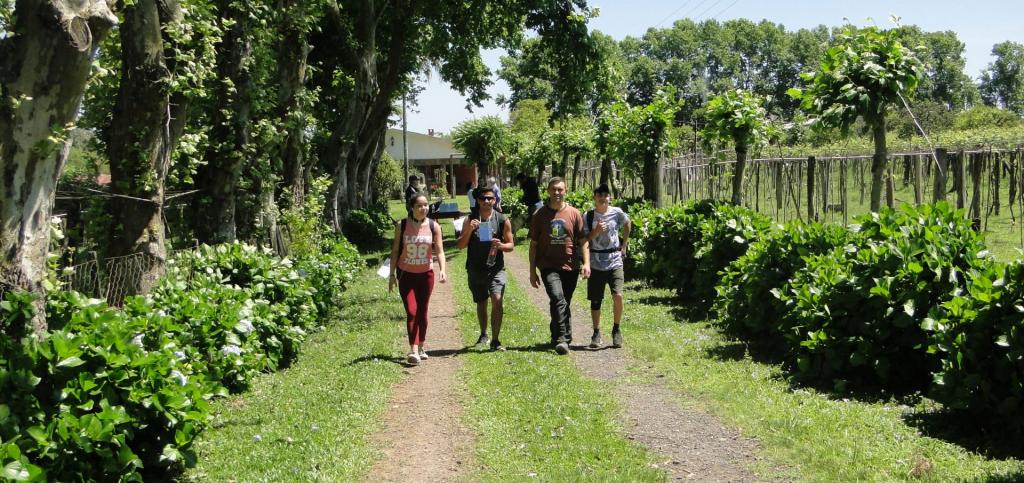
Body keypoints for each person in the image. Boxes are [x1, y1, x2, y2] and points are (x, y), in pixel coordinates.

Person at [529, 177, 590, 355]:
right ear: (548, 191)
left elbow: (583, 241)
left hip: (571, 266)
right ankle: (564, 338)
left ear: (566, 191)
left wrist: (586, 263)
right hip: (548, 264)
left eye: (560, 189)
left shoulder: (574, 213)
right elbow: (533, 245)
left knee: (563, 301)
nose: (557, 193)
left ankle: (555, 334)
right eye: (554, 189)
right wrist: (532, 271)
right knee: (558, 298)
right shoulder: (539, 215)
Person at [388, 193, 448, 365]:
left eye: (426, 205)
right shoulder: (402, 225)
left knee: (423, 311)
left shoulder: (433, 226)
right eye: (419, 206)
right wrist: (392, 275)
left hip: (425, 275)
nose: (423, 209)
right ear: (411, 208)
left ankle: (421, 346)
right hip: (406, 275)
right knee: (411, 312)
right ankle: (413, 349)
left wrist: (442, 270)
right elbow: (394, 252)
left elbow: (440, 251)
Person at [456, 186, 514, 351]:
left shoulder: (502, 219)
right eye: (483, 199)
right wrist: (470, 230)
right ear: (478, 201)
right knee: (481, 302)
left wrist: (501, 245)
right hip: (476, 268)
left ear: (495, 200)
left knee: (497, 299)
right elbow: (460, 245)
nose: (486, 201)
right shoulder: (470, 219)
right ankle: (483, 334)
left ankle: (495, 340)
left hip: (496, 268)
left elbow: (511, 246)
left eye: (490, 198)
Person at [582, 184, 631, 348]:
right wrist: (595, 232)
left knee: (618, 295)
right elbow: (584, 240)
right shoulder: (588, 216)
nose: (603, 197)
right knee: (596, 300)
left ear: (610, 197)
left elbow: (627, 223)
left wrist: (624, 245)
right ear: (594, 197)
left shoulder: (617, 212)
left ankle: (616, 329)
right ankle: (596, 332)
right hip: (596, 261)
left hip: (614, 260)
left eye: (606, 195)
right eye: (599, 195)